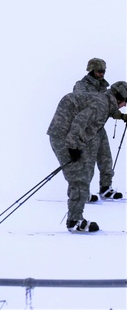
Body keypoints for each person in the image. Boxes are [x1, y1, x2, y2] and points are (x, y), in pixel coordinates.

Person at [46, 80, 127, 232]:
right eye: (126, 102)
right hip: (63, 137)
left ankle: (75, 215)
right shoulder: (101, 105)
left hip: (65, 135)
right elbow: (79, 122)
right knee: (79, 177)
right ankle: (75, 221)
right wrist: (72, 147)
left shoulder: (103, 101)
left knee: (81, 174)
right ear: (119, 98)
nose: (125, 105)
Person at [73, 58, 124, 200]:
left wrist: (121, 116)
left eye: (103, 71)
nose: (102, 74)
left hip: (99, 129)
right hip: (87, 129)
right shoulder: (81, 86)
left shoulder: (103, 88)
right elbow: (81, 104)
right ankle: (83, 192)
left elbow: (109, 107)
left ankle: (106, 188)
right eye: (99, 71)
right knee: (87, 162)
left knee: (106, 158)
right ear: (91, 70)